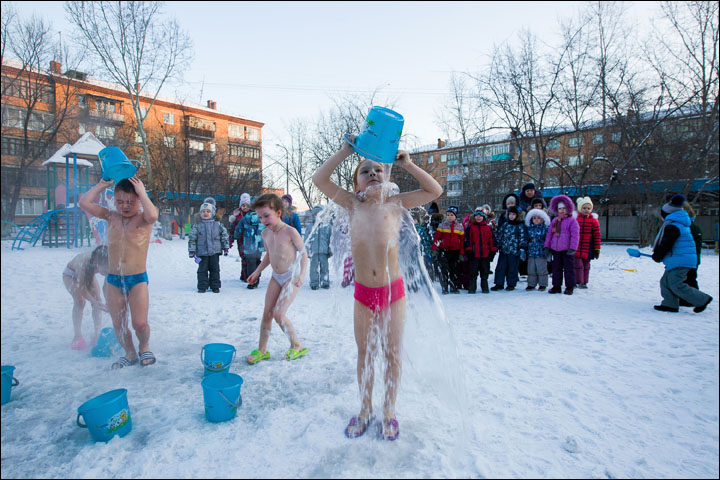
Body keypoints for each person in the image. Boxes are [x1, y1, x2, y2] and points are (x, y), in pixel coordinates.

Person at [313, 135, 442, 441]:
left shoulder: (396, 204)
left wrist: (407, 164)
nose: (372, 173)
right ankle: (365, 409)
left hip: (392, 292)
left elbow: (434, 190)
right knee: (365, 354)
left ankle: (389, 411)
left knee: (392, 354)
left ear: (387, 179)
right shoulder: (350, 204)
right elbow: (319, 179)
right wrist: (346, 150)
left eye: (378, 170)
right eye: (364, 170)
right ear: (356, 183)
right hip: (363, 294)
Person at [79, 176, 159, 369]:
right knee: (119, 323)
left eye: (131, 202)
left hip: (137, 279)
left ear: (139, 200)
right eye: (120, 202)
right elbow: (84, 203)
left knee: (139, 323)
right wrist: (101, 185)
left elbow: (153, 215)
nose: (125, 206)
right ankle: (130, 353)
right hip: (113, 279)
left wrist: (142, 192)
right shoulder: (111, 216)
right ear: (114, 201)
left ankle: (144, 346)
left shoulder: (143, 219)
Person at [245, 193, 309, 364]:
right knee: (267, 313)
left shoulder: (290, 232)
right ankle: (262, 350)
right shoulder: (266, 233)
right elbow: (268, 256)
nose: (263, 220)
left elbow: (304, 255)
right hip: (276, 276)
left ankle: (297, 345)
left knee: (279, 314)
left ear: (278, 212)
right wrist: (257, 272)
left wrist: (301, 275)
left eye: (266, 215)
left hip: (291, 276)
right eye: (260, 217)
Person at [651, 194, 713, 313]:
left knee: (676, 284)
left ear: (667, 215)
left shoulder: (673, 226)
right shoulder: (678, 223)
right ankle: (670, 304)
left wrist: (658, 255)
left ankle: (702, 299)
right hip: (678, 259)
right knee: (665, 282)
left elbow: (666, 244)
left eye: (662, 215)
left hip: (680, 260)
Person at [63, 245, 109, 349]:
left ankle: (97, 333)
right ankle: (77, 336)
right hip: (70, 275)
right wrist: (92, 301)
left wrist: (108, 303)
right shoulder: (83, 262)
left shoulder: (106, 262)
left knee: (98, 300)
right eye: (105, 271)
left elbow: (106, 285)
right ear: (96, 264)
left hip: (88, 274)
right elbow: (82, 288)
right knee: (80, 302)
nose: (106, 273)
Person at [188, 201, 230, 293]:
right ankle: (202, 286)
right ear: (200, 213)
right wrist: (192, 249)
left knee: (215, 269)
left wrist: (225, 247)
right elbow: (192, 238)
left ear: (213, 213)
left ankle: (215, 286)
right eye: (203, 211)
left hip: (215, 251)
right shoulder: (197, 225)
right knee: (202, 270)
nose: (205, 213)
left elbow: (224, 236)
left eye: (208, 211)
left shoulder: (218, 225)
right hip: (202, 252)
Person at [544, 195, 579, 295]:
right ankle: (556, 285)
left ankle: (570, 286)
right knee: (556, 268)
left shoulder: (572, 221)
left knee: (569, 269)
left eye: (564, 208)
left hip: (567, 250)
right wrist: (547, 246)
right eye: (560, 208)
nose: (562, 210)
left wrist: (573, 247)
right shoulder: (555, 221)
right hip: (556, 249)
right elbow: (550, 234)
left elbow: (575, 235)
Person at [491, 206, 528, 291]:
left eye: (513, 214)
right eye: (510, 214)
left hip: (514, 251)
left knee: (513, 268)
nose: (511, 216)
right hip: (504, 250)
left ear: (517, 215)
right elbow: (499, 234)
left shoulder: (520, 226)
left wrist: (522, 247)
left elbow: (523, 237)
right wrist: (498, 244)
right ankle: (499, 283)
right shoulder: (505, 224)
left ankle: (511, 284)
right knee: (500, 267)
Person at [432, 205, 465, 294]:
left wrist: (461, 253)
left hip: (455, 252)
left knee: (453, 270)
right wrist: (434, 249)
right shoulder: (442, 225)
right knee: (444, 270)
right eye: (448, 215)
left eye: (452, 215)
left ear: (455, 216)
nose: (450, 217)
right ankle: (445, 287)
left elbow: (462, 241)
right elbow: (437, 238)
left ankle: (453, 287)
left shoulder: (460, 226)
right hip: (444, 251)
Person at [465, 208, 496, 294]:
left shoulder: (488, 228)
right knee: (473, 273)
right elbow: (468, 240)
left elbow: (492, 240)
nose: (478, 217)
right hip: (474, 255)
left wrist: (492, 251)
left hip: (485, 255)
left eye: (480, 216)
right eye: (477, 216)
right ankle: (472, 287)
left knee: (485, 272)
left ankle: (485, 287)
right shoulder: (471, 228)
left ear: (484, 217)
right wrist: (469, 250)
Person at [234, 204, 265, 289]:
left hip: (248, 244)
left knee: (250, 262)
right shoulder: (263, 218)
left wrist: (236, 236)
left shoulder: (246, 218)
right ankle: (256, 277)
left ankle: (252, 281)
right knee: (257, 261)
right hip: (259, 244)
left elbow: (238, 229)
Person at [574, 197, 601, 289]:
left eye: (588, 208)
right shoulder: (575, 219)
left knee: (586, 265)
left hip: (588, 246)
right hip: (577, 245)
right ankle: (578, 281)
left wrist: (597, 248)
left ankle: (584, 282)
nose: (586, 210)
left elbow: (597, 235)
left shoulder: (594, 220)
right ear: (580, 208)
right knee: (578, 265)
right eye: (584, 208)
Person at [680, 202, 703, 306]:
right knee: (689, 278)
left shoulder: (690, 228)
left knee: (690, 279)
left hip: (688, 259)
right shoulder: (693, 227)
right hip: (691, 259)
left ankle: (696, 299)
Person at [304, 205, 332, 290]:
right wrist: (307, 250)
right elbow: (306, 239)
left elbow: (331, 239)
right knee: (313, 268)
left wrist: (330, 250)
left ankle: (325, 281)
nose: (317, 215)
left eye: (320, 213)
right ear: (313, 215)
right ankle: (314, 282)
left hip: (324, 251)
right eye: (316, 214)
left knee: (325, 268)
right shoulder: (310, 227)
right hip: (313, 251)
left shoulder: (328, 226)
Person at [524, 208, 550, 291]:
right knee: (531, 269)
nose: (536, 220)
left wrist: (547, 248)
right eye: (534, 218)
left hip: (541, 251)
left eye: (538, 218)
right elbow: (526, 238)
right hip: (531, 251)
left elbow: (548, 239)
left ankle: (543, 284)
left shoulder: (545, 228)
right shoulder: (529, 228)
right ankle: (531, 284)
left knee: (541, 269)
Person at [228, 193, 252, 271]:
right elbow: (232, 229)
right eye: (243, 205)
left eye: (247, 206)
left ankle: (249, 274)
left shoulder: (253, 215)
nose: (245, 207)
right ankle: (244, 275)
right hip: (241, 239)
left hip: (251, 239)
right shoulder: (237, 216)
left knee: (250, 257)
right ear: (240, 206)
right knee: (243, 257)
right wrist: (230, 240)